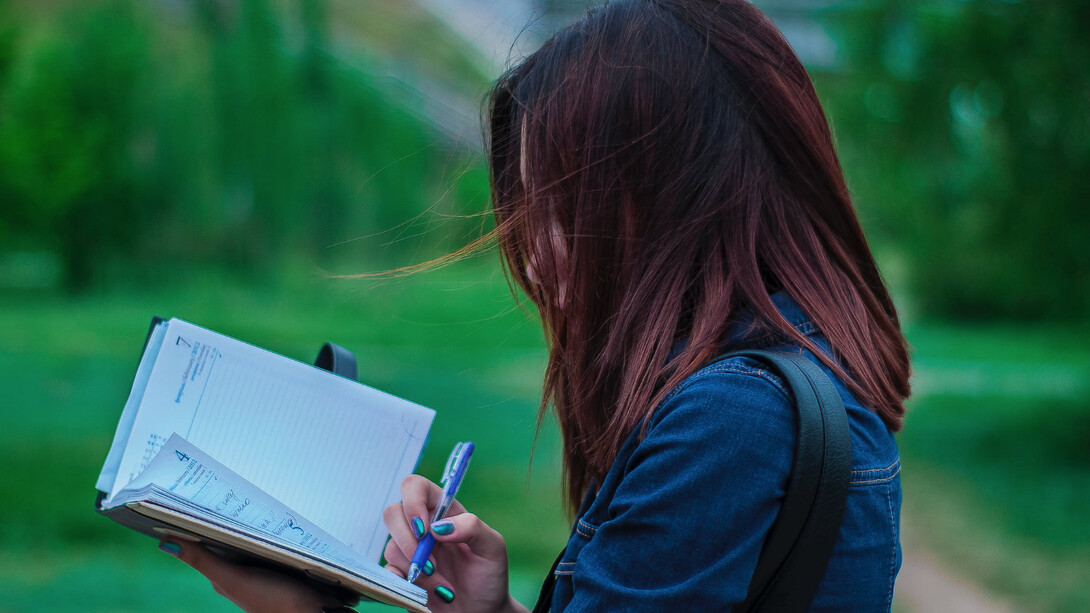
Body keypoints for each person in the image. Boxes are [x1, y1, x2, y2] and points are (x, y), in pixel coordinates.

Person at [159, 0, 910, 611]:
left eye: (560, 208)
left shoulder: (731, 419)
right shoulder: (793, 372)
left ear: (665, 196)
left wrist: (304, 609)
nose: (538, 255)